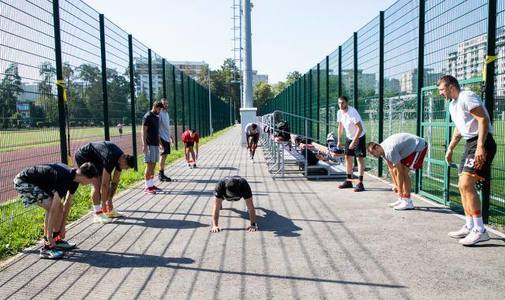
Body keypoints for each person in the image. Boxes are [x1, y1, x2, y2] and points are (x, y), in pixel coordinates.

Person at [437, 75, 496, 246]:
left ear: (451, 86)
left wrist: (480, 146)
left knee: (466, 184)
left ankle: (480, 230)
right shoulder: (453, 104)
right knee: (462, 186)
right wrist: (450, 148)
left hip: (481, 142)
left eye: (442, 89)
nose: (440, 93)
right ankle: (470, 225)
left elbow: (483, 119)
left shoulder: (466, 96)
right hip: (469, 143)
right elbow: (459, 128)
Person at [13, 162, 98, 259]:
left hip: (39, 183)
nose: (91, 183)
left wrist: (62, 227)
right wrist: (49, 236)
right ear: (86, 177)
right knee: (51, 207)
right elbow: (53, 210)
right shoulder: (65, 178)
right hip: (23, 181)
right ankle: (47, 247)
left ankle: (56, 239)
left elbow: (67, 203)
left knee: (59, 207)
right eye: (91, 180)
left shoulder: (75, 179)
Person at [75, 141, 135, 222]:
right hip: (84, 155)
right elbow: (104, 185)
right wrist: (103, 203)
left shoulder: (120, 159)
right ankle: (97, 213)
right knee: (96, 183)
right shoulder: (110, 158)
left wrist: (109, 200)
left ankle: (107, 210)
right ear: (123, 161)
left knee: (107, 181)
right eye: (127, 167)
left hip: (96, 158)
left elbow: (115, 181)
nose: (127, 169)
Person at [367, 133, 428, 210]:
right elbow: (391, 169)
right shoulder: (383, 151)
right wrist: (396, 185)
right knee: (399, 170)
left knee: (404, 171)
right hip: (410, 148)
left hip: (419, 146)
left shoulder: (389, 151)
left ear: (377, 147)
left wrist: (400, 189)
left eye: (372, 153)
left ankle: (407, 201)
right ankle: (402, 199)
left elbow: (400, 171)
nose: (373, 155)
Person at [336, 96, 367, 192]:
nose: (341, 105)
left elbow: (360, 128)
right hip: (349, 137)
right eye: (339, 103)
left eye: (343, 103)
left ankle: (360, 183)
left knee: (359, 158)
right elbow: (340, 127)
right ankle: (349, 181)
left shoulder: (352, 112)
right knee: (347, 157)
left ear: (347, 103)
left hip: (359, 136)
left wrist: (354, 141)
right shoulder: (339, 112)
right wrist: (339, 140)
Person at [142, 100, 164, 194]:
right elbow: (143, 131)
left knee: (154, 165)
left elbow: (157, 132)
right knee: (149, 165)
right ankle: (147, 186)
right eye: (159, 109)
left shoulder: (156, 117)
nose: (159, 111)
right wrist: (144, 145)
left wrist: (160, 143)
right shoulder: (147, 116)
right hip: (149, 145)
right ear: (155, 107)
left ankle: (151, 184)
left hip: (155, 145)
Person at [158, 98, 173, 182]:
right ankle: (161, 174)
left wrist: (170, 136)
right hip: (162, 138)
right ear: (161, 104)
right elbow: (157, 127)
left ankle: (162, 173)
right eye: (164, 103)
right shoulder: (160, 113)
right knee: (162, 156)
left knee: (165, 156)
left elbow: (167, 126)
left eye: (167, 103)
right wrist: (159, 141)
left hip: (167, 138)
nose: (166, 105)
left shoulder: (166, 114)